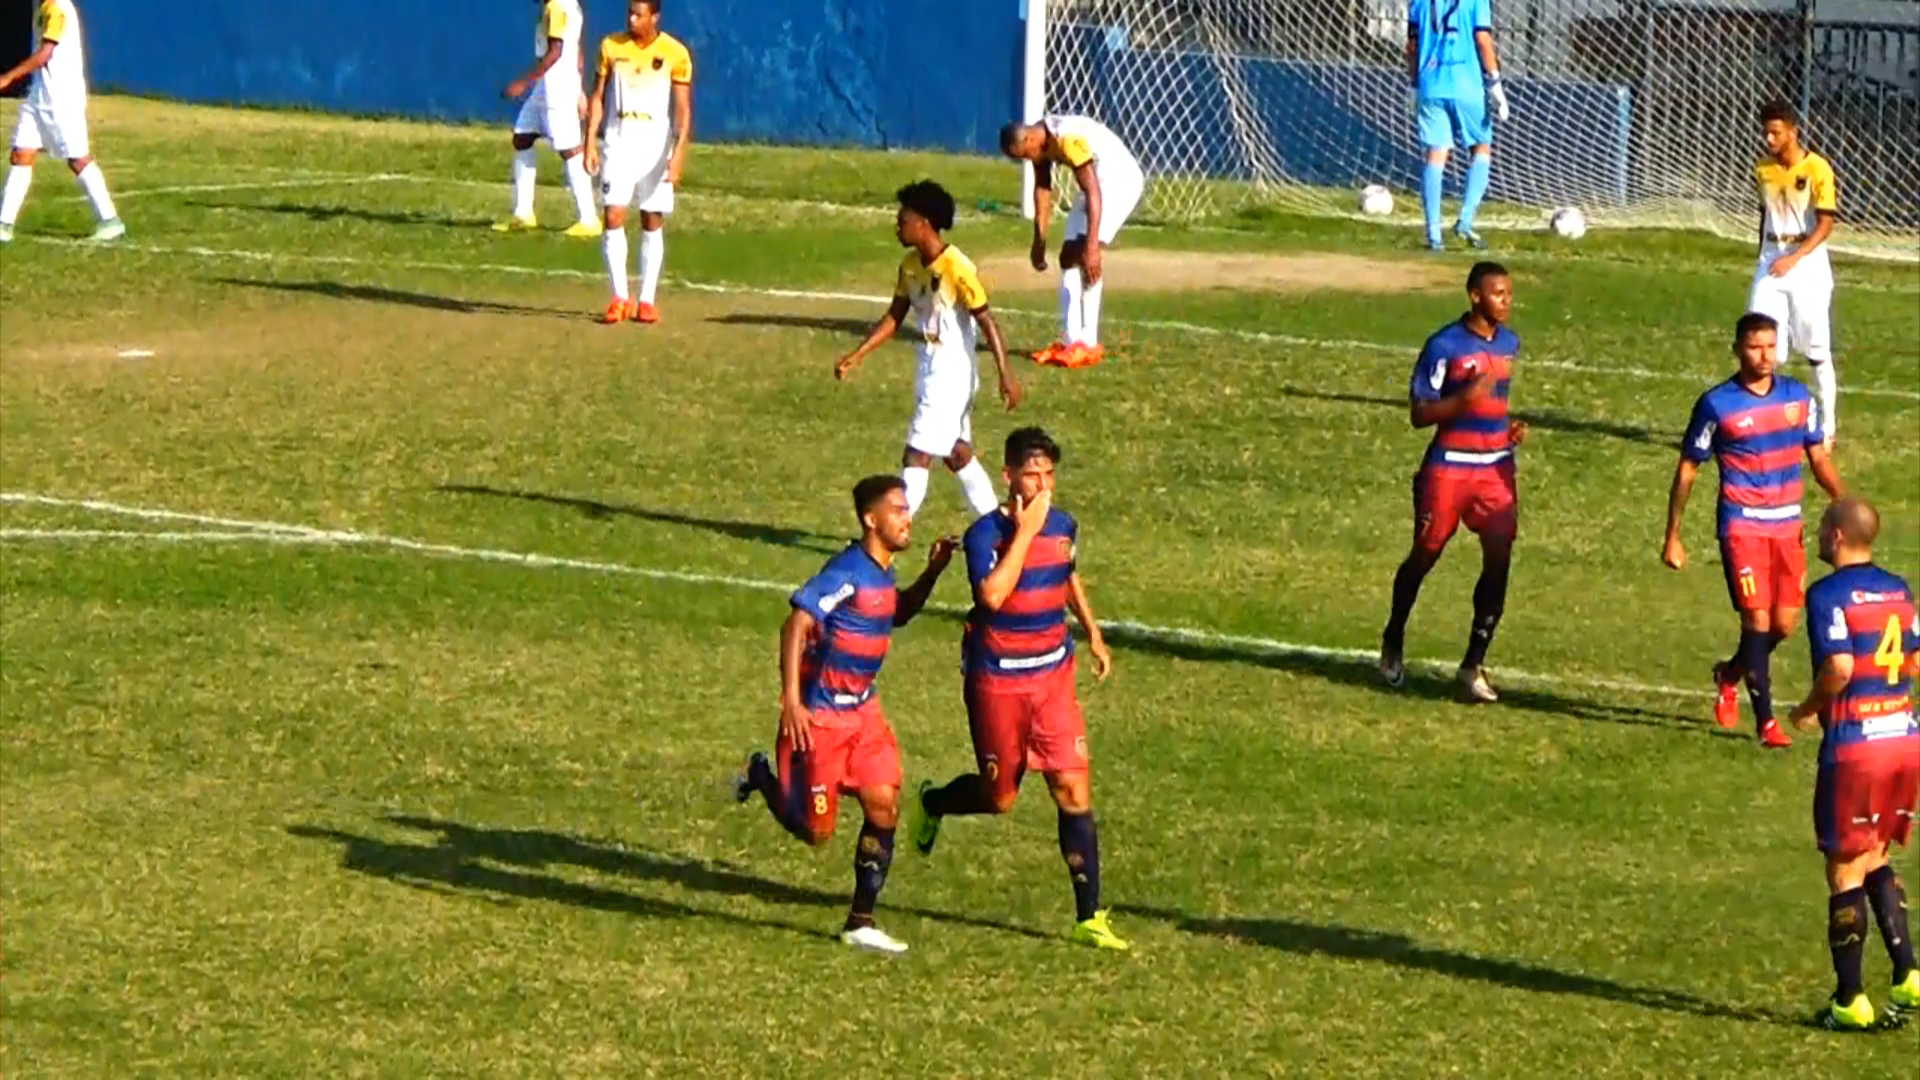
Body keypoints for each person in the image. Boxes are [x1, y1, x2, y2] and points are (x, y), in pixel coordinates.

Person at [907, 427, 1129, 951]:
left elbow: (1067, 573)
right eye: (1033, 475)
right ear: (1008, 477)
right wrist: (1025, 533)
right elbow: (993, 596)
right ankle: (935, 802)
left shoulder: (1064, 525)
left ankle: (1088, 915)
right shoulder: (986, 536)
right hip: (999, 683)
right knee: (1000, 797)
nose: (1044, 485)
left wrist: (1092, 631)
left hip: (1053, 677)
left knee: (1072, 789)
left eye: (1050, 474)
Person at [734, 475, 957, 954]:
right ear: (870, 520)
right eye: (897, 510)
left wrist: (934, 571)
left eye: (906, 508)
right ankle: (759, 773)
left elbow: (895, 612)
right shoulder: (847, 573)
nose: (907, 517)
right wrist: (792, 701)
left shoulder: (882, 573)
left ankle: (860, 921)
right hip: (822, 722)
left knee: (884, 806)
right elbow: (796, 623)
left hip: (864, 715)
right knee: (816, 832)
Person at [1663, 311, 1844, 748]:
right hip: (1742, 525)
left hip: (1787, 526)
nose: (1764, 355)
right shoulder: (1717, 404)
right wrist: (1673, 534)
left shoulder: (1799, 398)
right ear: (1738, 349)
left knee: (1783, 624)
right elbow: (1689, 468)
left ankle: (1729, 673)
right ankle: (1766, 724)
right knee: (1757, 620)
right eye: (1754, 346)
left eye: (1770, 346)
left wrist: (1843, 499)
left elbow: (1817, 457)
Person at [1787, 498, 1920, 1030]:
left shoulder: (1826, 595)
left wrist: (1807, 709)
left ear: (1839, 536)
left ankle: (1850, 1001)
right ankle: (1908, 974)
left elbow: (1839, 666)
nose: (1817, 535)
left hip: (1857, 747)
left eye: (1822, 527)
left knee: (1843, 868)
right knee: (1875, 854)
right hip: (1904, 739)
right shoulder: (1900, 590)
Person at [1378, 261, 1526, 703]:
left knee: (1499, 559)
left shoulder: (1510, 344)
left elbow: (1494, 403)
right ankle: (1393, 636)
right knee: (1425, 554)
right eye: (1498, 293)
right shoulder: (1443, 346)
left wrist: (1506, 428)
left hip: (1495, 469)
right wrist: (1462, 400)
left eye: (1509, 294)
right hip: (1448, 469)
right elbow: (1419, 414)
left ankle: (1472, 664)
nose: (1507, 301)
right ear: (1474, 296)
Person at [836, 180, 1020, 521]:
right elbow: (895, 316)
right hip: (928, 365)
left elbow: (987, 321)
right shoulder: (909, 265)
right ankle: (999, 524)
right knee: (956, 452)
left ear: (924, 223)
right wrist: (859, 354)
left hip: (952, 371)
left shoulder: (956, 267)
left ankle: (893, 528)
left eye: (903, 219)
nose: (897, 225)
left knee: (917, 454)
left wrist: (1006, 374)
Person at [999, 116, 1144, 366]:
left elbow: (1093, 191)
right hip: (1096, 182)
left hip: (1118, 180)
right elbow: (1043, 187)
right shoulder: (1040, 144)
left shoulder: (1067, 141)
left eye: (1025, 154)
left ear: (1030, 139)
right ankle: (1071, 341)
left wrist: (1093, 245)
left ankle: (1087, 342)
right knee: (1068, 255)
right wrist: (1039, 240)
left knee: (1083, 253)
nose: (1027, 160)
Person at [583, 0, 692, 325]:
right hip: (618, 138)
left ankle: (646, 299)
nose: (632, 19)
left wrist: (678, 154)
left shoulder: (675, 53)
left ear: (654, 17)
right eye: (629, 13)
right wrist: (590, 140)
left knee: (651, 218)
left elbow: (683, 109)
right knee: (613, 214)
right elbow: (598, 96)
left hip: (655, 143)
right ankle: (619, 297)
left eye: (638, 14)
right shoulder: (610, 46)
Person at [1750, 99, 1841, 445]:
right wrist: (1764, 255)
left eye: (1775, 133)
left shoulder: (1818, 168)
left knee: (1815, 347)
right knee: (1762, 341)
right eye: (1765, 133)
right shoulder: (1763, 169)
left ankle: (1828, 426)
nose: (1769, 140)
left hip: (1808, 264)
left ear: (1793, 132)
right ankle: (1765, 422)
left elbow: (1826, 223)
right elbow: (1765, 215)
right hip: (1772, 260)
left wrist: (1795, 257)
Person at [0, 0, 123, 244]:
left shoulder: (58, 9)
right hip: (39, 95)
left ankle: (110, 220)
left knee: (78, 159)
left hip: (62, 98)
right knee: (21, 154)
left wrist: (8, 77)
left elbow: (45, 55)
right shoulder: (43, 8)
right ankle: (4, 225)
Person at [493, 0, 601, 238]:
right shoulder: (569, 4)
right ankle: (523, 214)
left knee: (569, 149)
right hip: (550, 84)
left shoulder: (556, 7)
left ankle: (589, 219)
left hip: (557, 85)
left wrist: (523, 82)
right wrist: (580, 88)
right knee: (522, 136)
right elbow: (578, 51)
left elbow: (556, 52)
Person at [1406, 0, 1508, 251]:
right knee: (1481, 149)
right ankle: (1465, 221)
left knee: (1436, 154)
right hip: (1467, 85)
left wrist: (1413, 85)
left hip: (1431, 84)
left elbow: (1411, 47)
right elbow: (1483, 40)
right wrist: (1495, 82)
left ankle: (1434, 236)